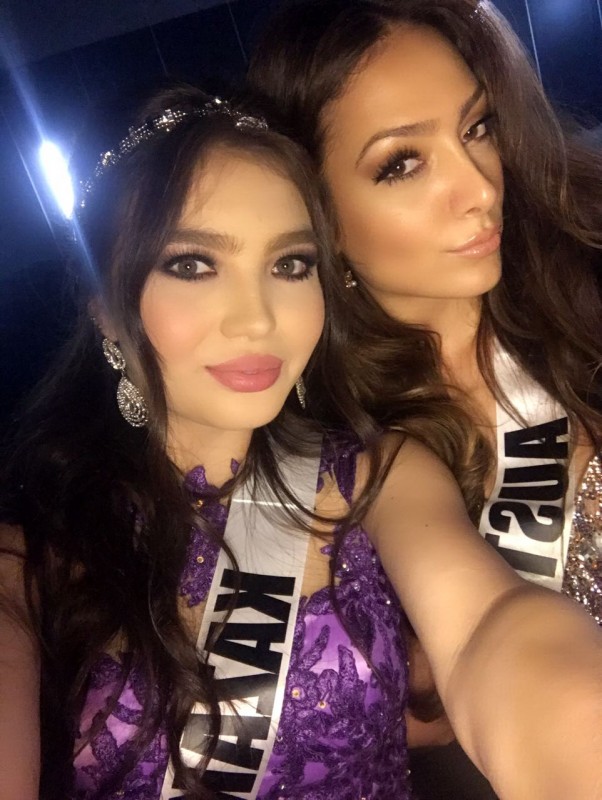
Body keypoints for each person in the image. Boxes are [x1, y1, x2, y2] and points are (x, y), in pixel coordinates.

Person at [0, 82, 601, 800]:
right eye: (192, 264)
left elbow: (487, 627)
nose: (258, 319)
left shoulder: (380, 476)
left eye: (290, 264)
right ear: (104, 308)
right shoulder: (27, 562)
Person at [248, 0, 602, 794]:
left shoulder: (583, 279)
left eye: (477, 128)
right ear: (318, 217)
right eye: (402, 164)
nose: (479, 188)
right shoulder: (340, 457)